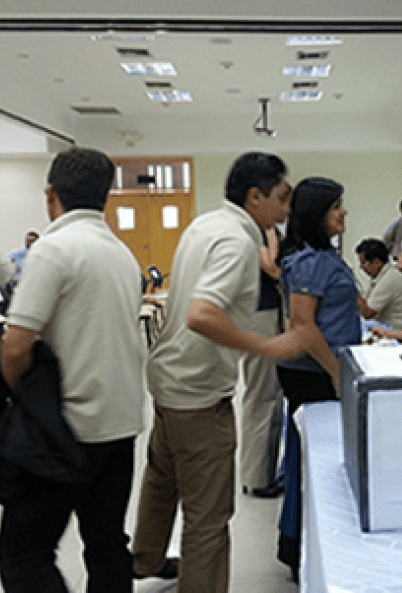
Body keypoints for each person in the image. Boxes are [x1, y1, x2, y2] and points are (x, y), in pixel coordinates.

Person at [131, 152, 303, 593]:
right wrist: (266, 346)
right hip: (198, 391)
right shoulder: (236, 243)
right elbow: (202, 315)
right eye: (282, 197)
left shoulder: (205, 224)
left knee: (162, 479)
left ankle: (147, 557)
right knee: (208, 514)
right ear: (255, 197)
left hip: (169, 378)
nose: (286, 207)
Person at [0, 147, 146, 593]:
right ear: (106, 196)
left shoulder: (52, 249)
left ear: (50, 195)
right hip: (118, 426)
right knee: (106, 545)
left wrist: (22, 399)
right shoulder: (121, 253)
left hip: (64, 429)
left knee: (24, 554)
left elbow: (15, 346)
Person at [276, 177, 361, 581]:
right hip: (313, 373)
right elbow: (303, 326)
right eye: (335, 206)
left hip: (322, 368)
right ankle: (299, 549)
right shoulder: (309, 261)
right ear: (315, 214)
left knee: (311, 460)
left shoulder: (324, 256)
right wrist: (337, 374)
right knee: (310, 463)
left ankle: (298, 544)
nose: (343, 212)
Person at [238, 225, 286, 499]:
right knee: (263, 396)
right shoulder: (256, 230)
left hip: (265, 312)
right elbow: (271, 267)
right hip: (260, 315)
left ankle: (258, 474)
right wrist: (270, 234)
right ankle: (256, 478)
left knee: (267, 396)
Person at [355, 238, 402, 332]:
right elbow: (366, 303)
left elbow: (367, 313)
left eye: (363, 263)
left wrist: (351, 288)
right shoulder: (381, 276)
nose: (361, 268)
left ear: (377, 262)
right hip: (391, 327)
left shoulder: (390, 279)